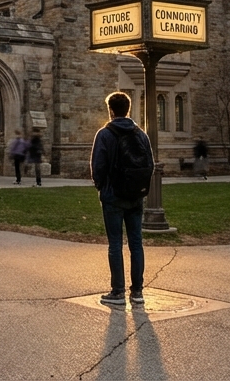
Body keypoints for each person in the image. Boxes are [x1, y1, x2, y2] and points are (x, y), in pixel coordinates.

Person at [90, 91, 153, 307]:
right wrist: (141, 189)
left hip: (113, 196)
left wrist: (102, 187)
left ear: (110, 110)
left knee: (115, 244)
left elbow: (97, 167)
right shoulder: (141, 134)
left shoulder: (104, 134)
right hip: (136, 196)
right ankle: (137, 292)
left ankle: (117, 292)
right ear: (128, 108)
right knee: (136, 243)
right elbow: (149, 165)